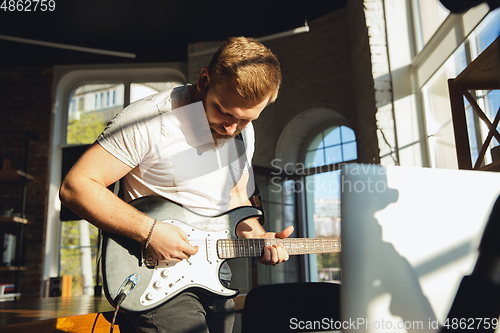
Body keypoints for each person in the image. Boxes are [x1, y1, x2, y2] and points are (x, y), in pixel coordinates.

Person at [59, 37, 294, 333]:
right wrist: (150, 231)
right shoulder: (149, 119)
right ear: (203, 80)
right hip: (153, 277)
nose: (232, 127)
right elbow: (76, 186)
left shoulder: (243, 132)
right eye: (223, 111)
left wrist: (259, 235)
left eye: (245, 119)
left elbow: (236, 197)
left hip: (214, 276)